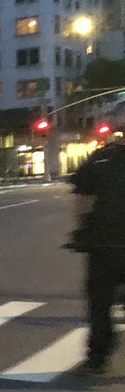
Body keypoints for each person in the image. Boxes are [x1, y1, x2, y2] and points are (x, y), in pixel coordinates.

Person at [70, 127, 125, 375]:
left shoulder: (101, 158)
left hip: (105, 243)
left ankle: (98, 358)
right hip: (106, 241)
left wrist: (80, 230)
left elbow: (82, 199)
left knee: (100, 302)